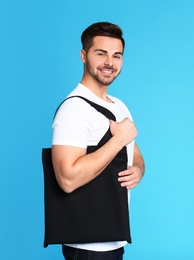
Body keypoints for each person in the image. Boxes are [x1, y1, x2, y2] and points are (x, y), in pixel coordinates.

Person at [51, 22, 145, 260]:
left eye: (117, 55)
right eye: (100, 53)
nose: (109, 63)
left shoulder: (119, 106)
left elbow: (132, 151)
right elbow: (67, 180)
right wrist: (117, 140)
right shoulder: (74, 109)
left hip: (114, 238)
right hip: (86, 247)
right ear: (84, 55)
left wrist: (138, 170)